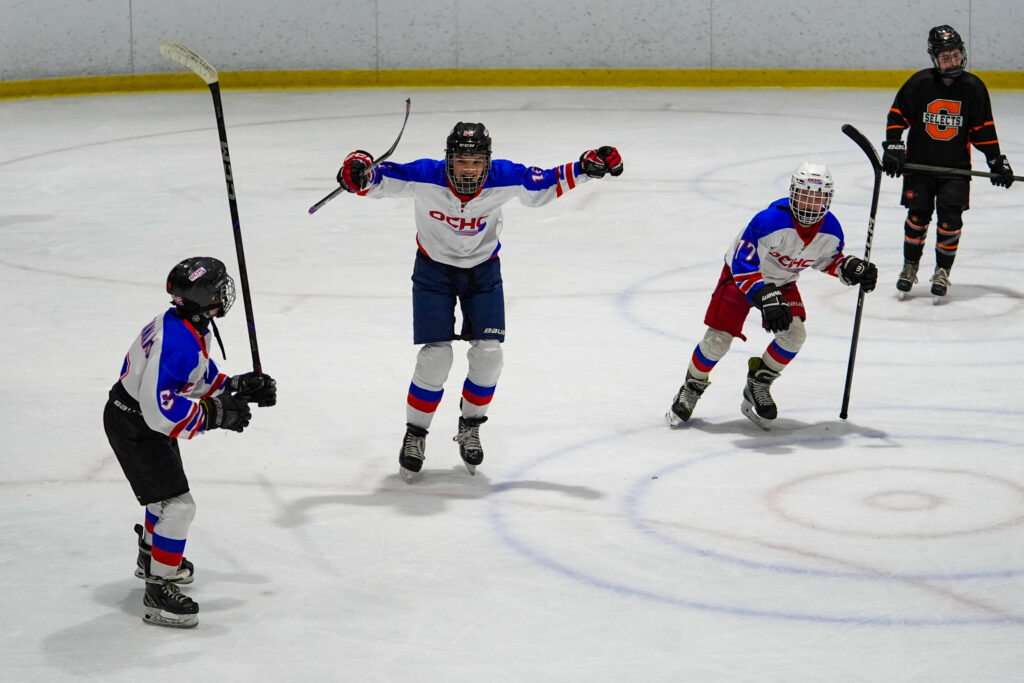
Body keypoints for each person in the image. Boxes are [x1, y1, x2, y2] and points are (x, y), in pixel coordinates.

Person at [336, 122, 622, 482]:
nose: (468, 169)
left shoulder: (505, 176)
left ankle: (470, 425)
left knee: (489, 355)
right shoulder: (425, 174)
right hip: (433, 272)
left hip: (483, 273)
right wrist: (356, 167)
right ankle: (416, 433)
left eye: (475, 161)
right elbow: (375, 179)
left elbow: (544, 184)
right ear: (447, 160)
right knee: (436, 357)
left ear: (487, 161)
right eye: (460, 161)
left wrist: (587, 166)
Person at [103, 257, 277, 628]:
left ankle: (151, 556)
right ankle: (158, 589)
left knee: (162, 498)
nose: (224, 292)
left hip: (141, 419)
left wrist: (233, 387)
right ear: (203, 297)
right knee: (178, 507)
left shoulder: (189, 324)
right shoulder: (177, 340)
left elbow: (191, 374)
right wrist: (215, 415)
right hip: (136, 426)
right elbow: (160, 411)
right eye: (218, 288)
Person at [665, 162, 877, 430]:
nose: (809, 204)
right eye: (804, 195)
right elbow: (743, 262)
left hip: (782, 281)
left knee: (794, 335)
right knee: (717, 341)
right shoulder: (769, 221)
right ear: (792, 193)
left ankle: (759, 382)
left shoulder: (831, 229)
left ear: (828, 199)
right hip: (741, 278)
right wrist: (763, 294)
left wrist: (849, 268)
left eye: (817, 197)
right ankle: (692, 386)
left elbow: (826, 260)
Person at [881, 24, 1014, 300]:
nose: (952, 61)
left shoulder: (974, 88)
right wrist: (894, 146)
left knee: (950, 221)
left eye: (955, 55)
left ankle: (942, 270)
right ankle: (910, 265)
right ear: (934, 58)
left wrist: (996, 161)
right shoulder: (920, 83)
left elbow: (984, 130)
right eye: (945, 57)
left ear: (961, 53)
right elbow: (897, 116)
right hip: (919, 167)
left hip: (956, 170)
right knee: (917, 217)